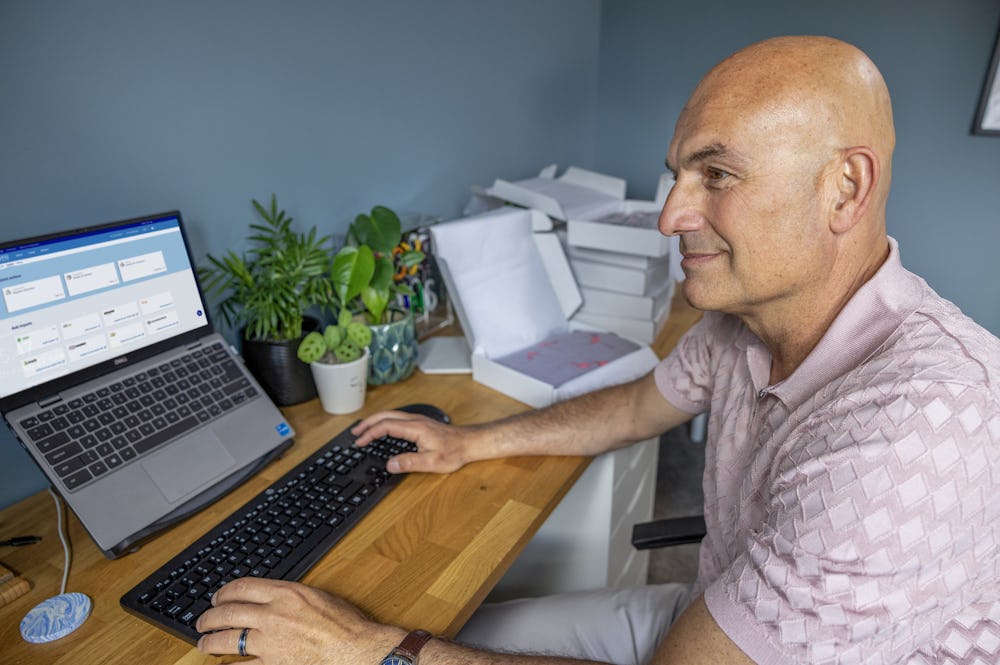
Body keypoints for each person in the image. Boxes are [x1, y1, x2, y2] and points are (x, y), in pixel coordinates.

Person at [195, 35, 1000, 664]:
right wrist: (470, 442)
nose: (671, 215)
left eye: (718, 174)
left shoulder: (916, 431)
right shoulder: (747, 319)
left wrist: (366, 650)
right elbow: (638, 406)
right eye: (678, 174)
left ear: (845, 189)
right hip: (717, 606)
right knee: (455, 628)